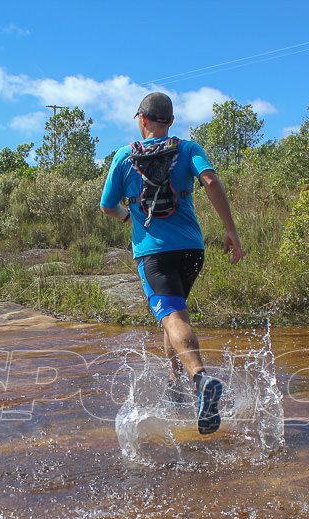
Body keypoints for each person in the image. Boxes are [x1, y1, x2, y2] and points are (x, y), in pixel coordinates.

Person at [100, 92, 244, 435]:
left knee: (173, 315)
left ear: (143, 120)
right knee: (175, 313)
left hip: (154, 253)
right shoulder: (189, 148)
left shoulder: (124, 156)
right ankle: (174, 383)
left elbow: (107, 206)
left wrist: (126, 217)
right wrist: (230, 230)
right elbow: (209, 180)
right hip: (192, 250)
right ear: (171, 121)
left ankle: (199, 378)